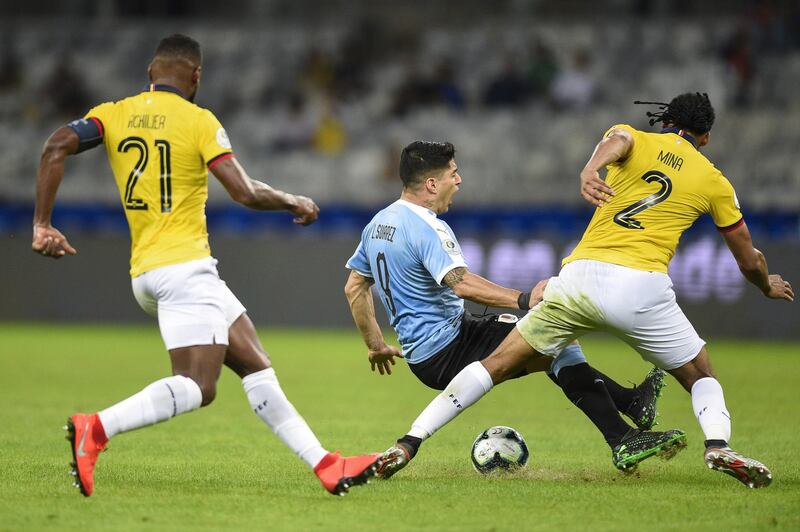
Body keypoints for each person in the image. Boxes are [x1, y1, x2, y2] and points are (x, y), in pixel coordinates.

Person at [379, 94, 793, 489]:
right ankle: (718, 446)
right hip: (641, 285)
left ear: (665, 123)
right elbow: (748, 259)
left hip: (579, 276)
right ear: (705, 137)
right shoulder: (715, 181)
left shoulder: (635, 137)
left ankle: (409, 442)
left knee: (497, 363)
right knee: (700, 373)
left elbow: (619, 139)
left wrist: (589, 170)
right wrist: (765, 283)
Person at [32, 34, 384, 497]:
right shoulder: (198, 121)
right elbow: (243, 191)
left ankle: (326, 465)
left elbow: (56, 145)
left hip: (151, 270)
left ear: (149, 75)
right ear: (196, 76)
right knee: (199, 385)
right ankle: (95, 428)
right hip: (184, 269)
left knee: (256, 364)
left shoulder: (111, 114)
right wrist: (291, 199)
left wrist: (42, 223)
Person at [344, 140, 688, 478]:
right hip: (450, 346)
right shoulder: (427, 227)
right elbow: (461, 283)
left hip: (427, 353)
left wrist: (375, 345)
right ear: (432, 184)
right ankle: (623, 436)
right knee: (554, 338)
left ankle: (631, 405)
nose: (459, 180)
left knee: (550, 348)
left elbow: (354, 287)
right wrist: (523, 298)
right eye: (453, 173)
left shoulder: (378, 224)